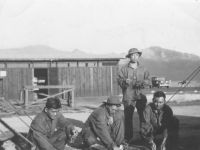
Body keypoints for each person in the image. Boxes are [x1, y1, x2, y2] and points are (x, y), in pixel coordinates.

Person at [117, 48, 151, 142]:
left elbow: (149, 80)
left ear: (139, 56)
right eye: (132, 55)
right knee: (128, 117)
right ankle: (128, 137)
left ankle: (144, 136)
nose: (135, 57)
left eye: (136, 55)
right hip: (128, 96)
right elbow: (119, 81)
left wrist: (143, 82)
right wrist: (125, 81)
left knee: (143, 117)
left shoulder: (144, 69)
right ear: (129, 57)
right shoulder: (123, 69)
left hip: (141, 96)